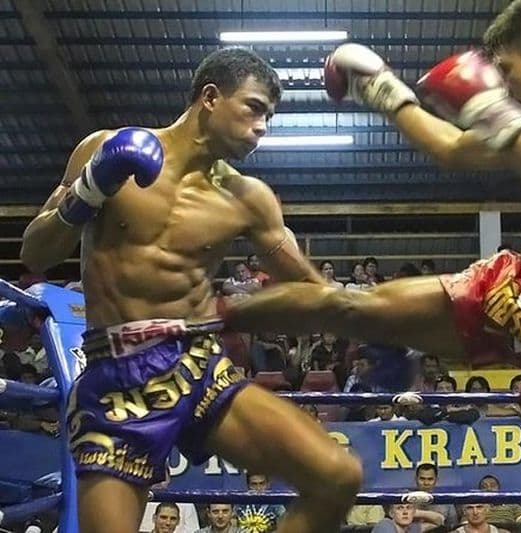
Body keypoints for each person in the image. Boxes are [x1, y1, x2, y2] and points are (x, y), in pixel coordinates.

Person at [224, 1, 521, 532]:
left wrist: (494, 112)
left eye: (508, 73)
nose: (504, 88)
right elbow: (454, 148)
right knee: (350, 306)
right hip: (520, 287)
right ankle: (204, 320)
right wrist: (383, 90)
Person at [20, 48, 362, 533]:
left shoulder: (248, 198)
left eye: (269, 116)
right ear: (211, 97)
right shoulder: (104, 146)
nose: (262, 127)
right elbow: (35, 254)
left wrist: (379, 316)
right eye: (254, 108)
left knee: (336, 476)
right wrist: (89, 189)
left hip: (198, 366)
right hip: (116, 377)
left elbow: (312, 288)